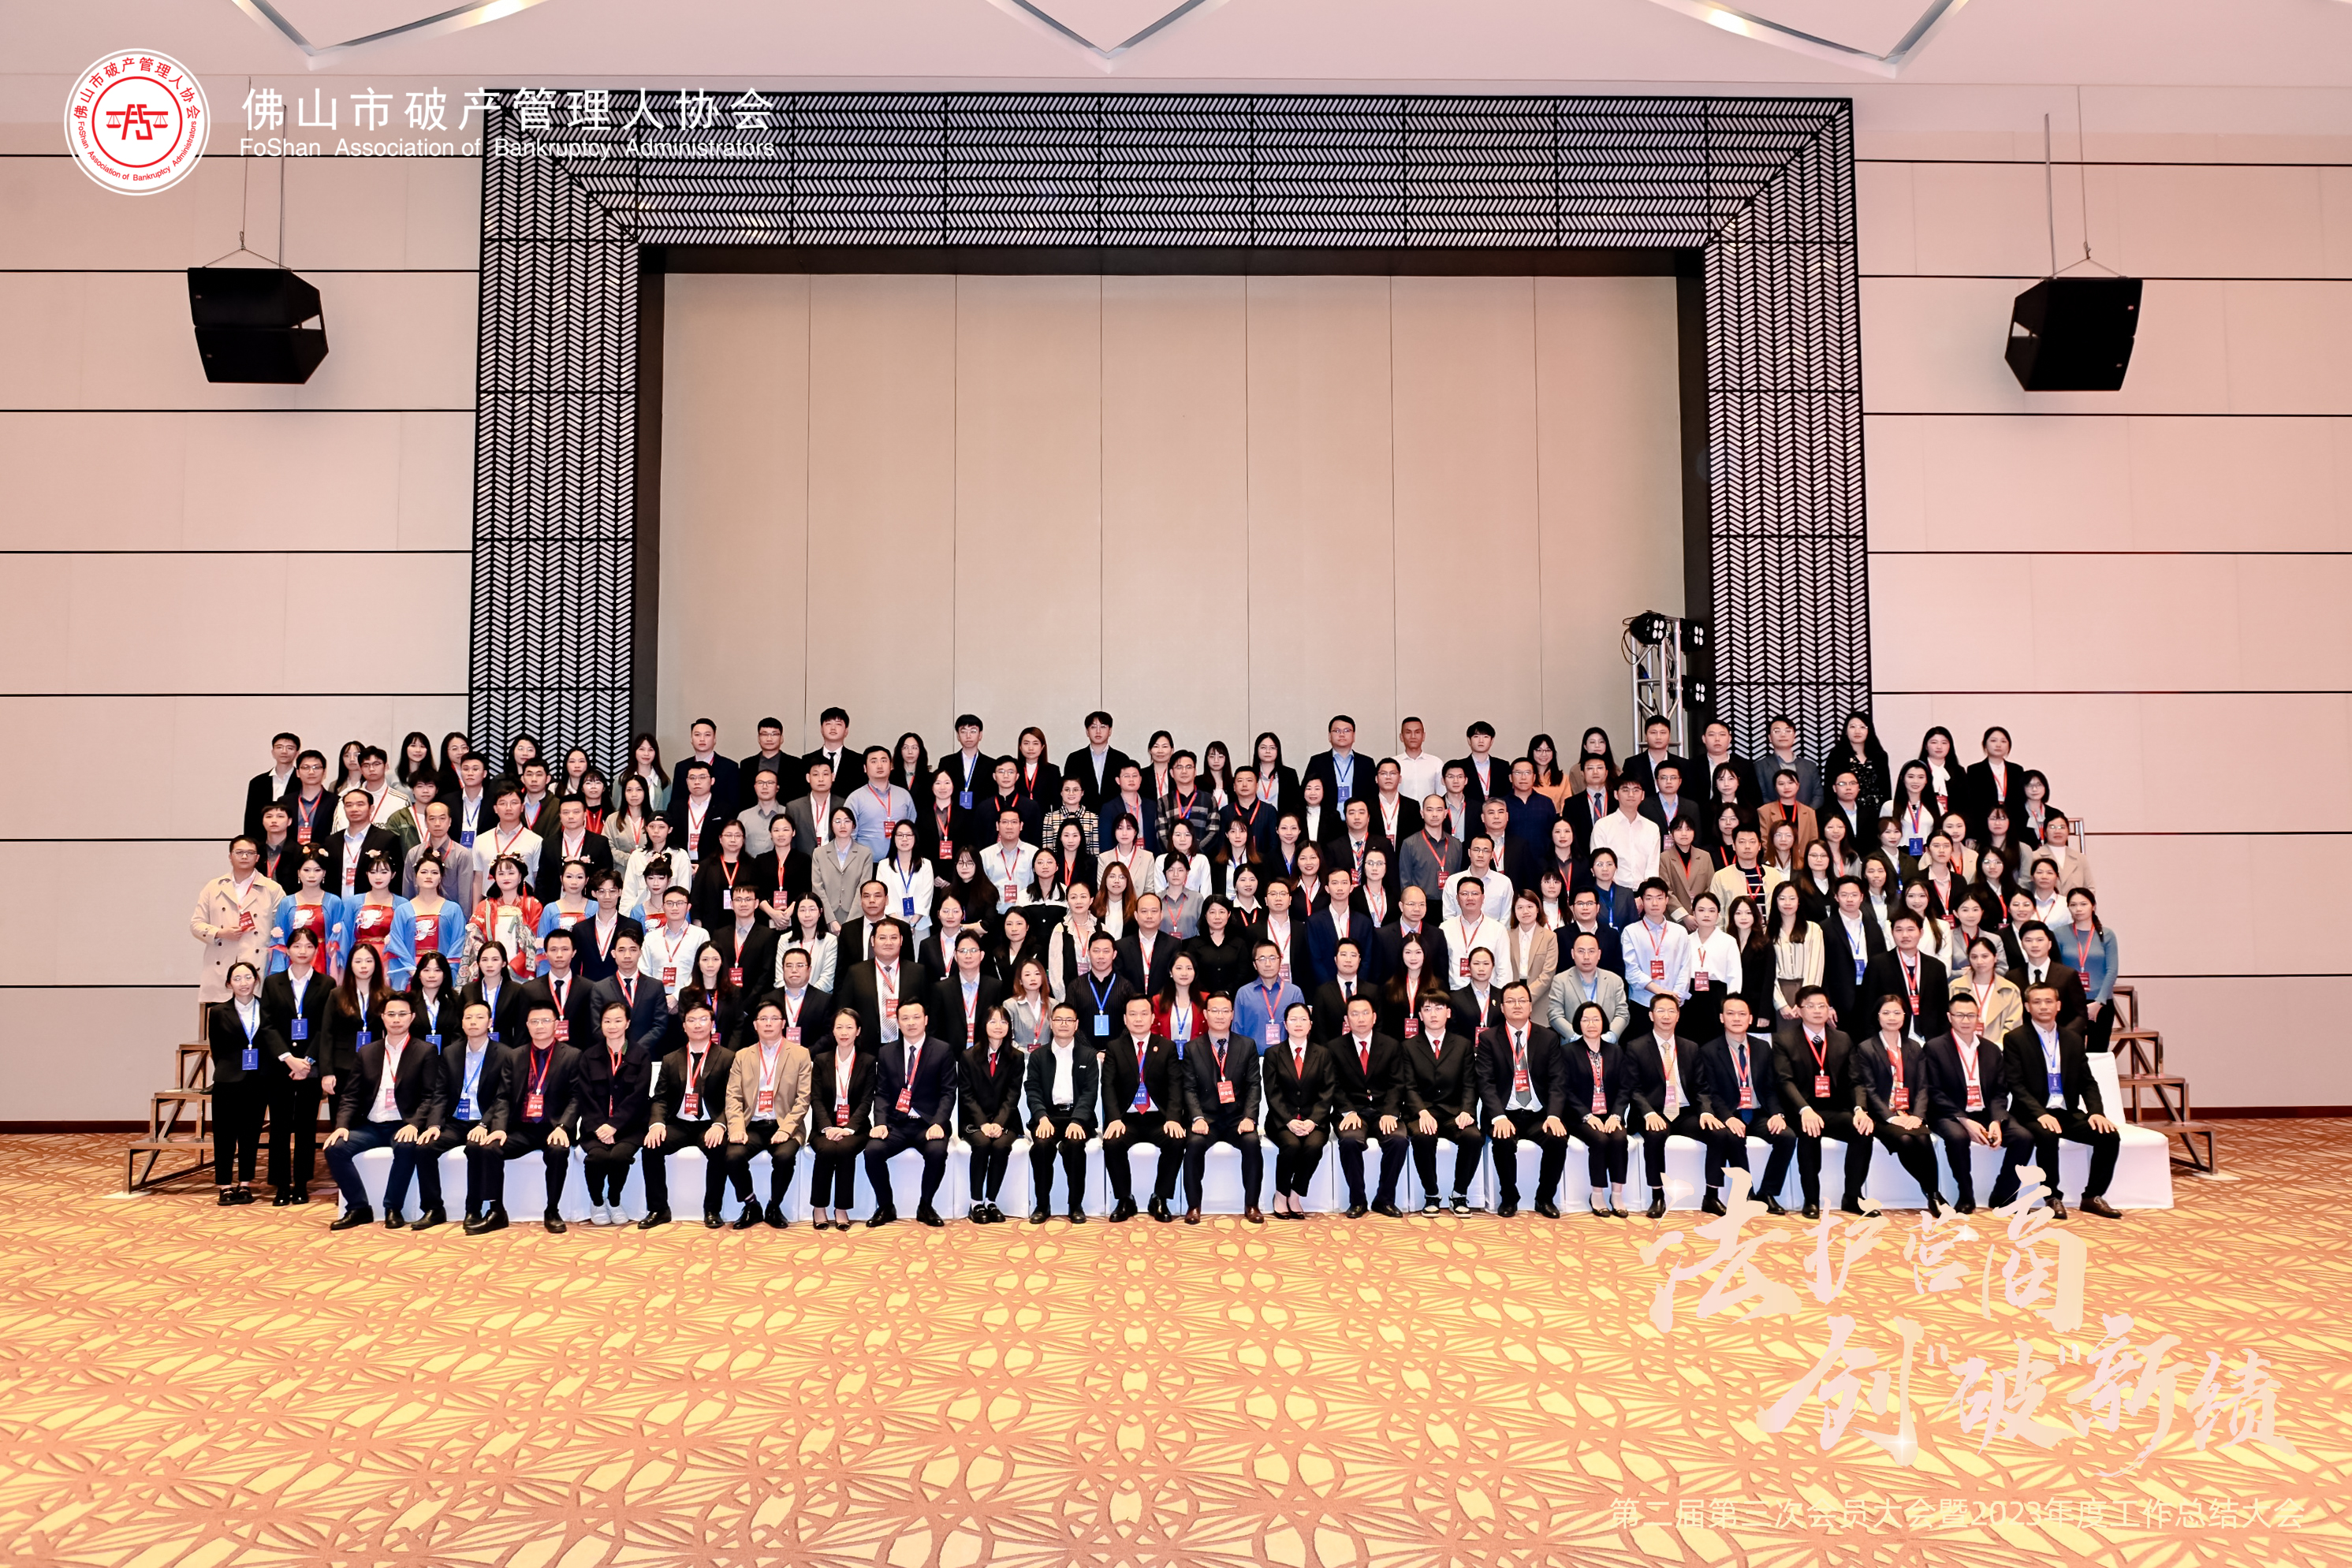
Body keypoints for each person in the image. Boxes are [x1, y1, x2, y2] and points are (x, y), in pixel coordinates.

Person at [2000, 981, 2123, 1220]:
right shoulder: (2015, 1039)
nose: (2043, 1006)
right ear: (2027, 1007)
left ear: (2058, 1005)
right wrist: (2041, 1113)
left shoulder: (2073, 1039)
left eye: (2049, 1001)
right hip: (2031, 1113)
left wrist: (2096, 1112)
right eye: (2037, 1002)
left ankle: (2092, 1196)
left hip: (2067, 1113)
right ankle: (2052, 1197)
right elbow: (2016, 1084)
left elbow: (2088, 1082)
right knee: (2047, 1134)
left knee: (2108, 1135)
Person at [322, 993, 441, 1231]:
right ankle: (358, 1208)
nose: (396, 1019)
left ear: (412, 1017)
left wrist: (415, 1124)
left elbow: (430, 1096)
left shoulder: (425, 1051)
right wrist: (342, 1125)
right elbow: (351, 1095)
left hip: (402, 1124)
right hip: (370, 1126)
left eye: (402, 1014)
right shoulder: (367, 1052)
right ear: (382, 1017)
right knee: (335, 1148)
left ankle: (392, 1208)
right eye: (391, 1014)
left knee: (407, 1147)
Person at [1920, 992, 2032, 1214]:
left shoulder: (1991, 1049)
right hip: (1949, 1113)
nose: (1965, 1020)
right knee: (1957, 1137)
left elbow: (2000, 1091)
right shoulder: (1934, 1047)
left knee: (2024, 1137)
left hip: (1985, 1112)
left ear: (1978, 1017)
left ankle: (2004, 1196)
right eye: (1959, 1015)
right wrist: (1964, 1120)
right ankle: (1966, 1195)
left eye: (1971, 1015)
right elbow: (1933, 1091)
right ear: (1949, 1017)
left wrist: (1996, 1120)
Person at [1771, 986, 1866, 1220]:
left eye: (1822, 1006)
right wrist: (1804, 1109)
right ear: (1799, 1010)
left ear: (1828, 1009)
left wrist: (1860, 1109)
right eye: (1810, 1006)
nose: (1817, 1010)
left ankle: (1853, 1197)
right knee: (1809, 1131)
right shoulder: (1784, 1040)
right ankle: (1811, 1199)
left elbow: (1855, 1080)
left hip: (1835, 1109)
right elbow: (1785, 1081)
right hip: (1802, 1110)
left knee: (1862, 1130)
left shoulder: (1843, 1039)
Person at [1849, 993, 1948, 1216]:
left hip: (1909, 1112)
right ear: (1878, 1016)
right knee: (1905, 1140)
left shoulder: (1915, 1048)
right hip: (1882, 1116)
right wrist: (1891, 1117)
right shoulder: (1866, 1048)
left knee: (1923, 1138)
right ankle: (1933, 1193)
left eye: (1897, 1012)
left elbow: (1923, 1087)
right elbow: (1869, 1089)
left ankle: (1933, 1195)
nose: (1892, 1017)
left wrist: (1918, 1116)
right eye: (1886, 1013)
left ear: (1905, 1016)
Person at [486, 1002, 581, 1232]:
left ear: (556, 1025)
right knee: (489, 1148)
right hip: (522, 1128)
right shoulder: (515, 1056)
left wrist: (563, 1126)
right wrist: (499, 1128)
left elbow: (577, 1098)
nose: (540, 1026)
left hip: (554, 1128)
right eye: (534, 1021)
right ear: (527, 1025)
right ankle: (496, 1211)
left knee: (558, 1151)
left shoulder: (572, 1055)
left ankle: (552, 1210)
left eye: (546, 1021)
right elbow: (503, 1097)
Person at [641, 996, 734, 1229]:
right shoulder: (671, 1059)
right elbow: (660, 1098)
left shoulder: (728, 1057)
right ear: (684, 1026)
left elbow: (733, 1099)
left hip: (709, 1124)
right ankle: (658, 1209)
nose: (697, 1025)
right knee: (651, 1146)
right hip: (679, 1123)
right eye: (691, 1020)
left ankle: (712, 1210)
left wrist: (721, 1124)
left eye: (703, 1019)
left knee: (720, 1148)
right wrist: (657, 1124)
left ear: (712, 1024)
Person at [1477, 981, 1567, 1219]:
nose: (1516, 1005)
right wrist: (1498, 1117)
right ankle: (1509, 1197)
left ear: (1530, 1005)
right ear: (1502, 1008)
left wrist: (1554, 1115)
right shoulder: (1489, 1039)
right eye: (1510, 1001)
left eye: (1522, 1001)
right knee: (1503, 1139)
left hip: (1539, 1114)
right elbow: (1485, 1082)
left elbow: (1558, 1080)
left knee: (1558, 1139)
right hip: (1505, 1112)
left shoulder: (1548, 1037)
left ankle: (1545, 1198)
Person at [1697, 995, 1793, 1216]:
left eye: (1742, 1014)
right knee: (1733, 1136)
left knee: (1787, 1137)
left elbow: (1770, 1088)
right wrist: (1727, 1117)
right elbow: (1711, 1092)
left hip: (1758, 1114)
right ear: (1722, 1018)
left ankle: (1767, 1193)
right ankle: (1747, 1194)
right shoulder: (1709, 1051)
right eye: (1730, 1014)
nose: (1736, 1018)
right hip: (1731, 1113)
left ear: (1750, 1019)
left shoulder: (1762, 1048)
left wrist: (1777, 1113)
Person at [863, 997, 954, 1227]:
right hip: (897, 1124)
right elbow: (882, 1093)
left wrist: (939, 1122)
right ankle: (886, 1206)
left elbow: (948, 1092)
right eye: (905, 1018)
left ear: (926, 1020)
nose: (911, 1023)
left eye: (916, 1017)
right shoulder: (886, 1052)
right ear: (897, 1022)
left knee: (937, 1152)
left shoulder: (942, 1050)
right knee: (872, 1151)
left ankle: (926, 1206)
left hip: (928, 1124)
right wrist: (880, 1122)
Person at [723, 999, 811, 1228]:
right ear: (755, 1025)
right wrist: (737, 1128)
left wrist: (786, 1129)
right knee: (732, 1156)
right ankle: (751, 1205)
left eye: (774, 1019)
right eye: (763, 1019)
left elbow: (803, 1099)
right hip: (751, 1125)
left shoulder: (800, 1054)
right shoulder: (742, 1056)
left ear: (783, 1023)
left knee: (784, 1157)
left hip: (784, 1124)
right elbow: (733, 1097)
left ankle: (774, 1206)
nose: (769, 1023)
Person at [1180, 993, 1265, 1223]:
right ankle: (1194, 1206)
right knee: (1193, 1145)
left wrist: (1249, 1117)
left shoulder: (1247, 1045)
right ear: (1205, 1014)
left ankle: (1252, 1205)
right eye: (1215, 1011)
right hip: (1206, 1119)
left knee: (1252, 1143)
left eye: (1225, 1011)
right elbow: (1188, 1088)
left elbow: (1254, 1085)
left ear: (1232, 1014)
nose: (1220, 1015)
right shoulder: (1192, 1048)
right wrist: (1197, 1118)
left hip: (1237, 1118)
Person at [1326, 994, 1408, 1218]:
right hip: (1352, 1111)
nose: (1360, 1019)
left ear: (1374, 1017)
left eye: (1365, 1013)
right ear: (1346, 1019)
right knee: (1350, 1140)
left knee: (1399, 1140)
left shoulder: (1391, 1045)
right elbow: (1333, 1085)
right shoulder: (1334, 1048)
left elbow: (1398, 1083)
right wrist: (1348, 1111)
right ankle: (1357, 1201)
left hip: (1383, 1111)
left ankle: (1385, 1199)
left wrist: (1391, 1112)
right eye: (1354, 1014)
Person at [576, 998, 655, 1226]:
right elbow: (585, 1096)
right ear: (601, 1024)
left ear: (627, 1023)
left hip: (630, 1127)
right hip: (596, 1127)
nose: (612, 1026)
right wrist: (602, 1127)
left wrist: (615, 1125)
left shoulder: (641, 1055)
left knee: (620, 1156)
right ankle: (597, 1202)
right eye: (607, 1021)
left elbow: (639, 1096)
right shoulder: (589, 1056)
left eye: (618, 1020)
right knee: (597, 1158)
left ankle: (614, 1200)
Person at [1402, 992, 1482, 1214]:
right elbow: (1408, 1087)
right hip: (1423, 1111)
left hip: (1454, 1112)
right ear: (1420, 1015)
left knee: (1473, 1137)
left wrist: (1467, 1111)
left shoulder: (1463, 1045)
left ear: (1448, 1013)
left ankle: (1459, 1194)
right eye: (1427, 1009)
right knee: (1422, 1137)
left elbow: (1469, 1084)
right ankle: (1431, 1194)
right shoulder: (1408, 1047)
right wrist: (1421, 1112)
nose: (1433, 1014)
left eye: (1438, 1008)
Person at [1024, 1002, 1100, 1223]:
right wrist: (1041, 1117)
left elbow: (1090, 1093)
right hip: (1048, 1117)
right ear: (1051, 1023)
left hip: (1077, 1117)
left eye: (1069, 1020)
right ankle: (1042, 1205)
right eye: (1059, 1019)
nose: (1064, 1024)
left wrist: (1078, 1120)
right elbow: (1032, 1090)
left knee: (1075, 1146)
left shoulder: (1088, 1056)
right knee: (1041, 1147)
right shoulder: (1038, 1056)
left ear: (1076, 1025)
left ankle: (1075, 1205)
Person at [192, 836, 285, 1014]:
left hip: (257, 963)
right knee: (220, 1021)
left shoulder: (272, 889)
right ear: (230, 856)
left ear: (257, 858)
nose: (244, 857)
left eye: (249, 853)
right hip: (221, 962)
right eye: (239, 852)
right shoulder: (214, 887)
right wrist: (220, 933)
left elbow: (281, 928)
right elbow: (196, 924)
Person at [207, 961, 274, 1206]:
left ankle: (245, 1183)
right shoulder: (217, 1012)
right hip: (227, 1080)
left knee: (250, 1134)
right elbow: (216, 1048)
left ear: (256, 980)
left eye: (248, 977)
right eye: (237, 979)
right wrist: (230, 1069)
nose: (243, 983)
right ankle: (224, 1185)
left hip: (258, 1081)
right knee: (224, 1134)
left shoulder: (267, 1009)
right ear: (229, 984)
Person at [1260, 1002, 1333, 1219]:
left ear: (1311, 1024)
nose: (1298, 1023)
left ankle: (1295, 1194)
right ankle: (1280, 1194)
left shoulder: (1323, 1054)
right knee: (1291, 1146)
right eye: (1293, 1019)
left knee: (1313, 1146)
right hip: (1281, 1120)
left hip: (1314, 1120)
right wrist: (1289, 1120)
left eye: (1303, 1019)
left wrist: (1313, 1120)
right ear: (1285, 1024)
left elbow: (1327, 1091)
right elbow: (1272, 1093)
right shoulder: (1273, 1054)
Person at [957, 1004, 1024, 1224]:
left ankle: (991, 1201)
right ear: (983, 1025)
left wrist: (999, 1122)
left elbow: (1013, 1095)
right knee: (983, 1143)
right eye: (993, 1021)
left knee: (1000, 1146)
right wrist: (984, 1124)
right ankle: (976, 1203)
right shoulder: (968, 1057)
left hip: (1006, 1119)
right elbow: (966, 1095)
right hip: (974, 1120)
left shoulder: (1016, 1057)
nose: (998, 1026)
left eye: (1003, 1022)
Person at [807, 1009, 871, 1231]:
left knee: (845, 1149)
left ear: (858, 1031)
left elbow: (866, 1101)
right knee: (826, 1149)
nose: (844, 1032)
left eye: (849, 1027)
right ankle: (819, 1207)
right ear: (833, 1031)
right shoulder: (821, 1060)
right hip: (825, 1124)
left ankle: (841, 1209)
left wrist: (849, 1128)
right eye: (839, 1027)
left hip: (856, 1126)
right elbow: (816, 1098)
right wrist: (827, 1127)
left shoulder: (868, 1061)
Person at [2062, 888, 2122, 1053]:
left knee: (2098, 1053)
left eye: (2083, 904)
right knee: (2070, 1053)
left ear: (2093, 906)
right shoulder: (2059, 934)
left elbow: (2112, 970)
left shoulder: (2107, 934)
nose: (2078, 909)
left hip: (2100, 1003)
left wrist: (2099, 1003)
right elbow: (2057, 970)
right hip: (2070, 1003)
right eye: (2073, 905)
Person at [1547, 929, 1628, 1045]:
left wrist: (1610, 1036)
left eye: (1591, 951)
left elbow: (1622, 1013)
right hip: (1572, 1046)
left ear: (1599, 954)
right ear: (1572, 954)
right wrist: (1575, 1037)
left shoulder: (1614, 980)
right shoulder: (1560, 980)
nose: (1586, 957)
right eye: (1581, 951)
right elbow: (1554, 1014)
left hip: (1608, 1046)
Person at [1951, 935, 2024, 1043]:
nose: (1979, 961)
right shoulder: (1956, 987)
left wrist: (1997, 1047)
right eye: (1974, 957)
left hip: (2000, 1048)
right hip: (1962, 1046)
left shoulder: (2010, 990)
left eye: (1985, 956)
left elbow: (2013, 1026)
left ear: (1995, 957)